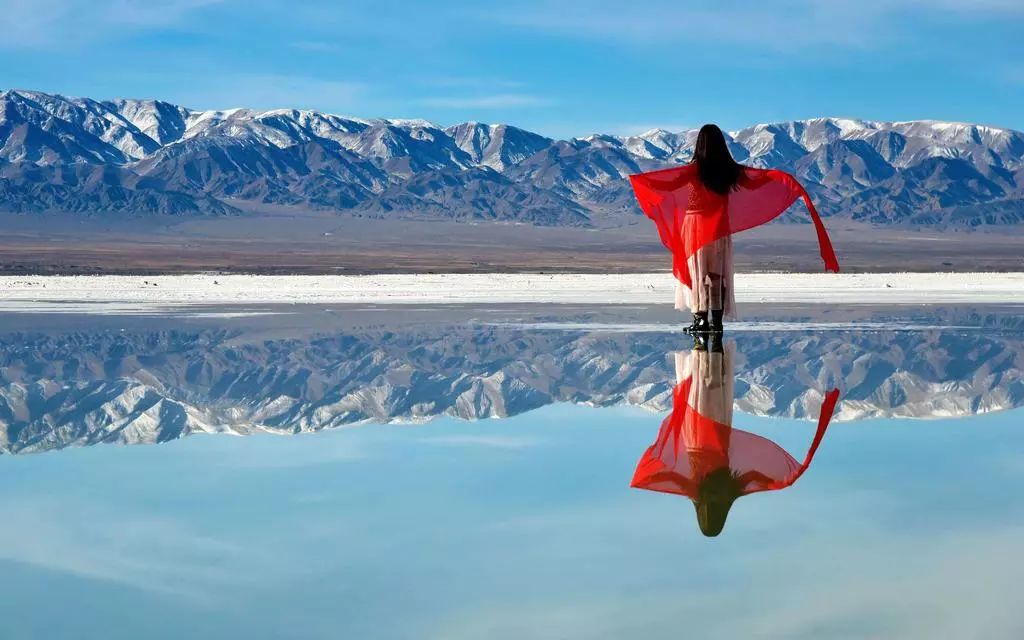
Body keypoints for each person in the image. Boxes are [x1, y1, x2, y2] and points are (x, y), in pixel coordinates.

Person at [629, 124, 840, 334]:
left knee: (697, 273)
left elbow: (668, 185)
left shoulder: (695, 169)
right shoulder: (730, 170)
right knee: (717, 274)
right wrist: (778, 177)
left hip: (695, 227)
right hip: (719, 227)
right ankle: (717, 321)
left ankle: (700, 320)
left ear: (699, 144)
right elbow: (754, 184)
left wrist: (641, 183)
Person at [630, 338, 839, 537]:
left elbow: (754, 476)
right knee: (699, 394)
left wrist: (776, 482)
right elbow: (670, 478)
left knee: (717, 393)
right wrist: (647, 477)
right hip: (695, 439)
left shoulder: (732, 491)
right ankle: (699, 344)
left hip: (721, 436)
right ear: (701, 517)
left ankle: (715, 343)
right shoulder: (696, 493)